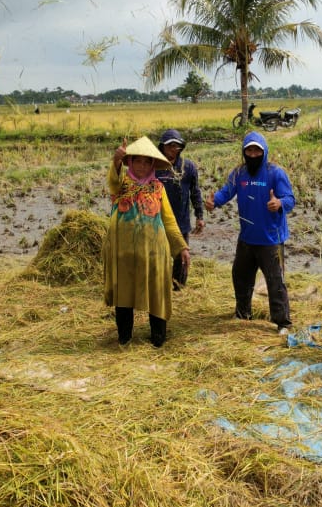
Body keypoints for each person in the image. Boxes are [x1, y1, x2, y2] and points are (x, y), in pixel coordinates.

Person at [205, 131, 295, 335]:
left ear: (264, 152)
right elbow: (226, 192)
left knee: (275, 281)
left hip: (271, 239)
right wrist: (214, 201)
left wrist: (279, 202)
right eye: (249, 150)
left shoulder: (275, 173)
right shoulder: (239, 173)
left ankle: (283, 323)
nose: (253, 154)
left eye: (257, 150)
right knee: (240, 275)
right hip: (247, 238)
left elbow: (290, 199)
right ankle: (243, 314)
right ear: (244, 152)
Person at [104, 136, 190, 347]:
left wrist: (182, 248)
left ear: (152, 164)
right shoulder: (122, 185)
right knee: (124, 294)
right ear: (130, 162)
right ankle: (124, 338)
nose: (141, 166)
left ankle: (158, 338)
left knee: (157, 292)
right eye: (137, 161)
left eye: (146, 161)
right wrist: (116, 161)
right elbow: (112, 180)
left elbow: (169, 220)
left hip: (154, 252)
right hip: (124, 252)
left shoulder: (158, 188)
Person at [155, 129, 204, 290]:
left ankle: (178, 287)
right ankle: (158, 286)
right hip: (157, 221)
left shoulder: (188, 167)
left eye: (176, 146)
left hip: (181, 221)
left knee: (181, 257)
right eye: (169, 146)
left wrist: (199, 216)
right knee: (157, 255)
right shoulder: (153, 167)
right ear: (162, 147)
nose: (173, 149)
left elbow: (195, 192)